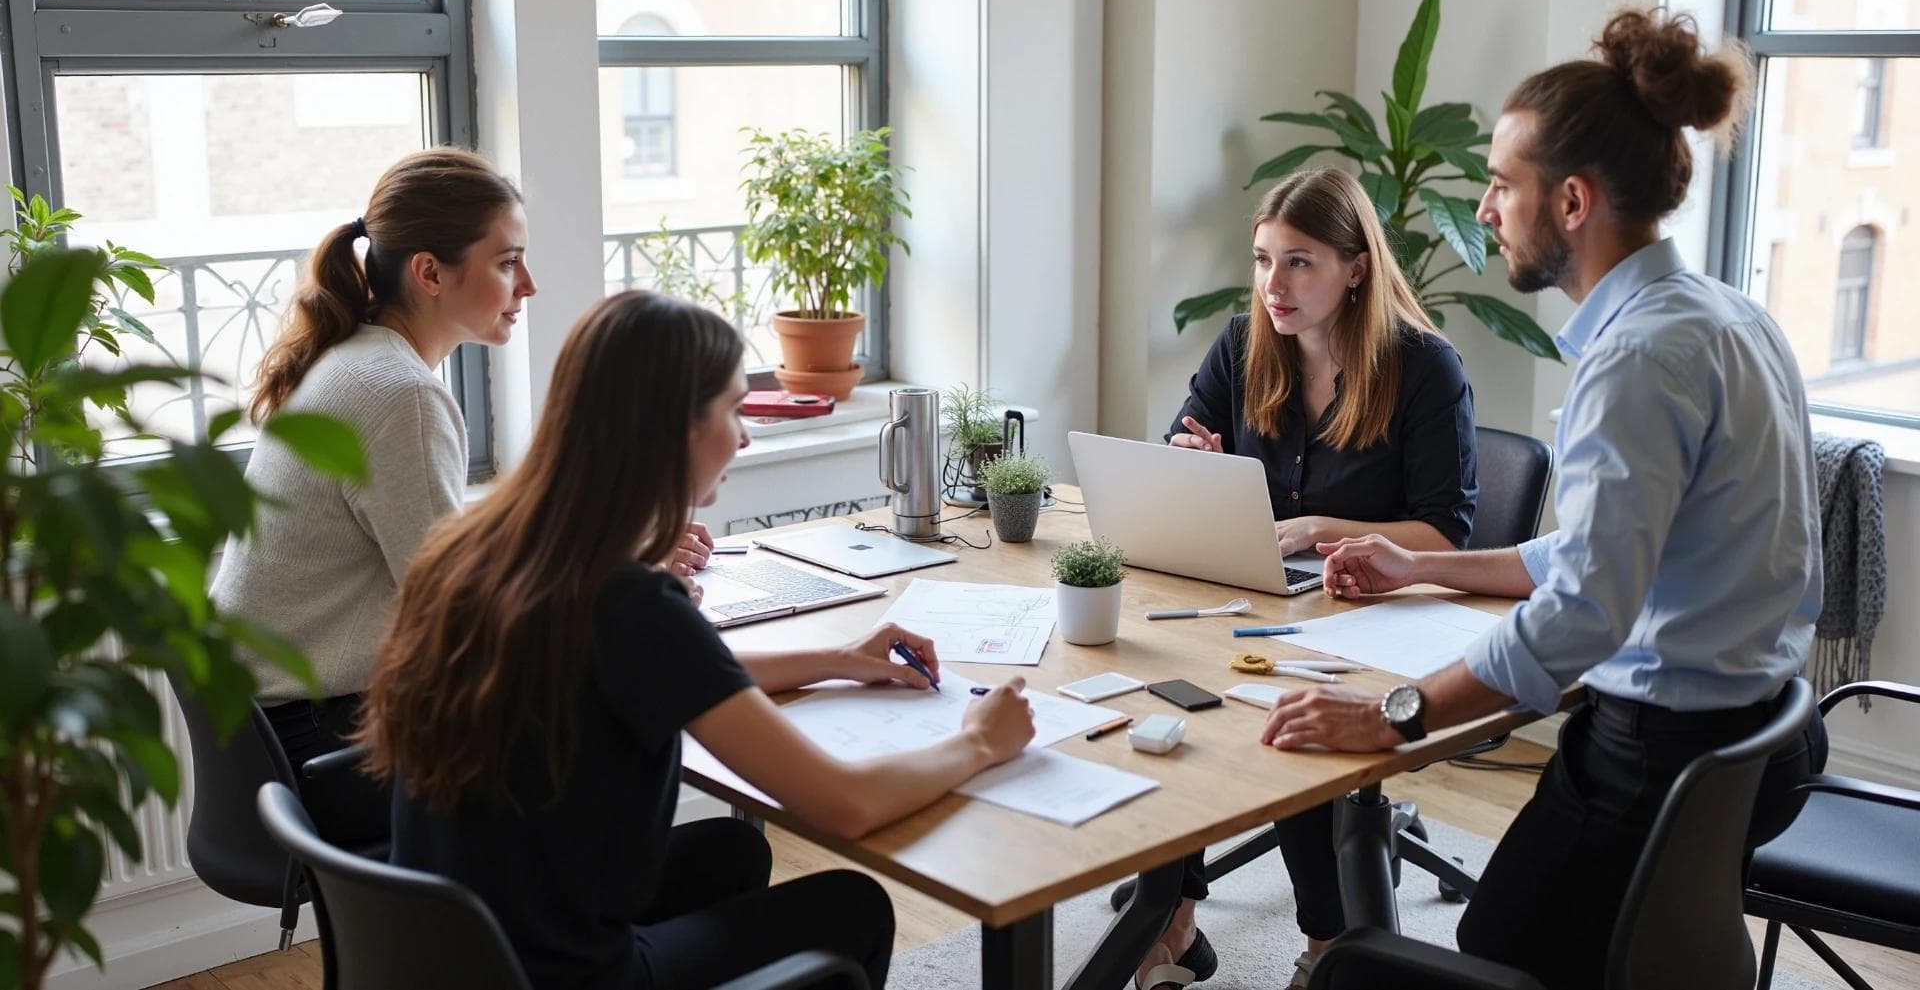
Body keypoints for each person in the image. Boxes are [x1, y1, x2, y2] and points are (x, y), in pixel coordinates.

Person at [1267, 7, 1828, 990]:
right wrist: (1422, 564)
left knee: (1485, 952)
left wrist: (1396, 713)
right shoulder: (1729, 315)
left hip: (1658, 761)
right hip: (1760, 743)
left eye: (1501, 182)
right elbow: (1600, 552)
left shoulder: (1640, 358)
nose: (1483, 207)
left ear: (1571, 200)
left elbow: (1582, 612)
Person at [360, 290, 1037, 990]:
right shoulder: (625, 596)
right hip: (564, 977)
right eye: (734, 409)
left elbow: (673, 673)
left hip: (457, 954)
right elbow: (845, 802)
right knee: (852, 905)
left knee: (730, 851)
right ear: (673, 427)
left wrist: (840, 657)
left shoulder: (481, 549)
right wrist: (981, 740)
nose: (744, 438)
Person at [1149, 167, 1478, 989]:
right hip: (1255, 600)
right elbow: (1177, 448)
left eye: (1299, 262)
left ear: (1355, 266)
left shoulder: (1424, 369)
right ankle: (1173, 915)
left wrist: (1326, 528)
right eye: (1263, 260)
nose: (1274, 284)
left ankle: (1330, 943)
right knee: (1161, 688)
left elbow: (1445, 531)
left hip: (1374, 617)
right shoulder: (1241, 345)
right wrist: (1191, 464)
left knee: (1290, 715)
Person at [210, 148, 540, 846]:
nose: (528, 285)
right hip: (323, 747)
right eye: (508, 262)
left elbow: (435, 541)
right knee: (575, 741)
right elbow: (459, 612)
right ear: (429, 272)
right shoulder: (402, 396)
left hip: (269, 737)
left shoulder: (356, 361)